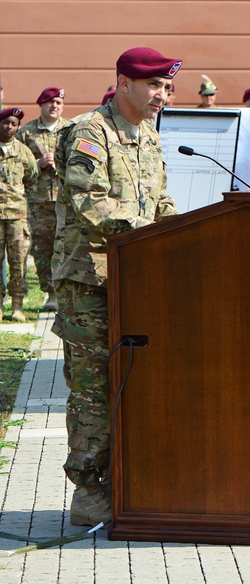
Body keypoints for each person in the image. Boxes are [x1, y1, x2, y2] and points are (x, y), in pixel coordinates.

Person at [52, 47, 181, 526]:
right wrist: (150, 236)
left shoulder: (149, 136)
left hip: (137, 277)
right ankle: (89, 491)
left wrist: (180, 233)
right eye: (154, 86)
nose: (162, 95)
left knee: (136, 382)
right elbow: (90, 202)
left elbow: (161, 198)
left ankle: (131, 479)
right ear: (124, 83)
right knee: (92, 390)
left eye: (166, 87)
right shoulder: (89, 132)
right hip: (89, 281)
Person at [16, 86, 69, 312]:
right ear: (41, 105)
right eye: (50, 102)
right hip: (38, 201)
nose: (54, 106)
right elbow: (16, 166)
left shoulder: (70, 129)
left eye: (58, 102)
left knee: (66, 245)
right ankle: (50, 293)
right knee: (43, 247)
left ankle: (66, 292)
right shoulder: (26, 133)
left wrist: (61, 165)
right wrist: (38, 164)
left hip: (65, 199)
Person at [0, 107, 39, 322]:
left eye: (13, 124)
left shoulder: (23, 152)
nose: (9, 127)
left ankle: (17, 305)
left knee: (18, 262)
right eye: (5, 123)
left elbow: (33, 179)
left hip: (17, 216)